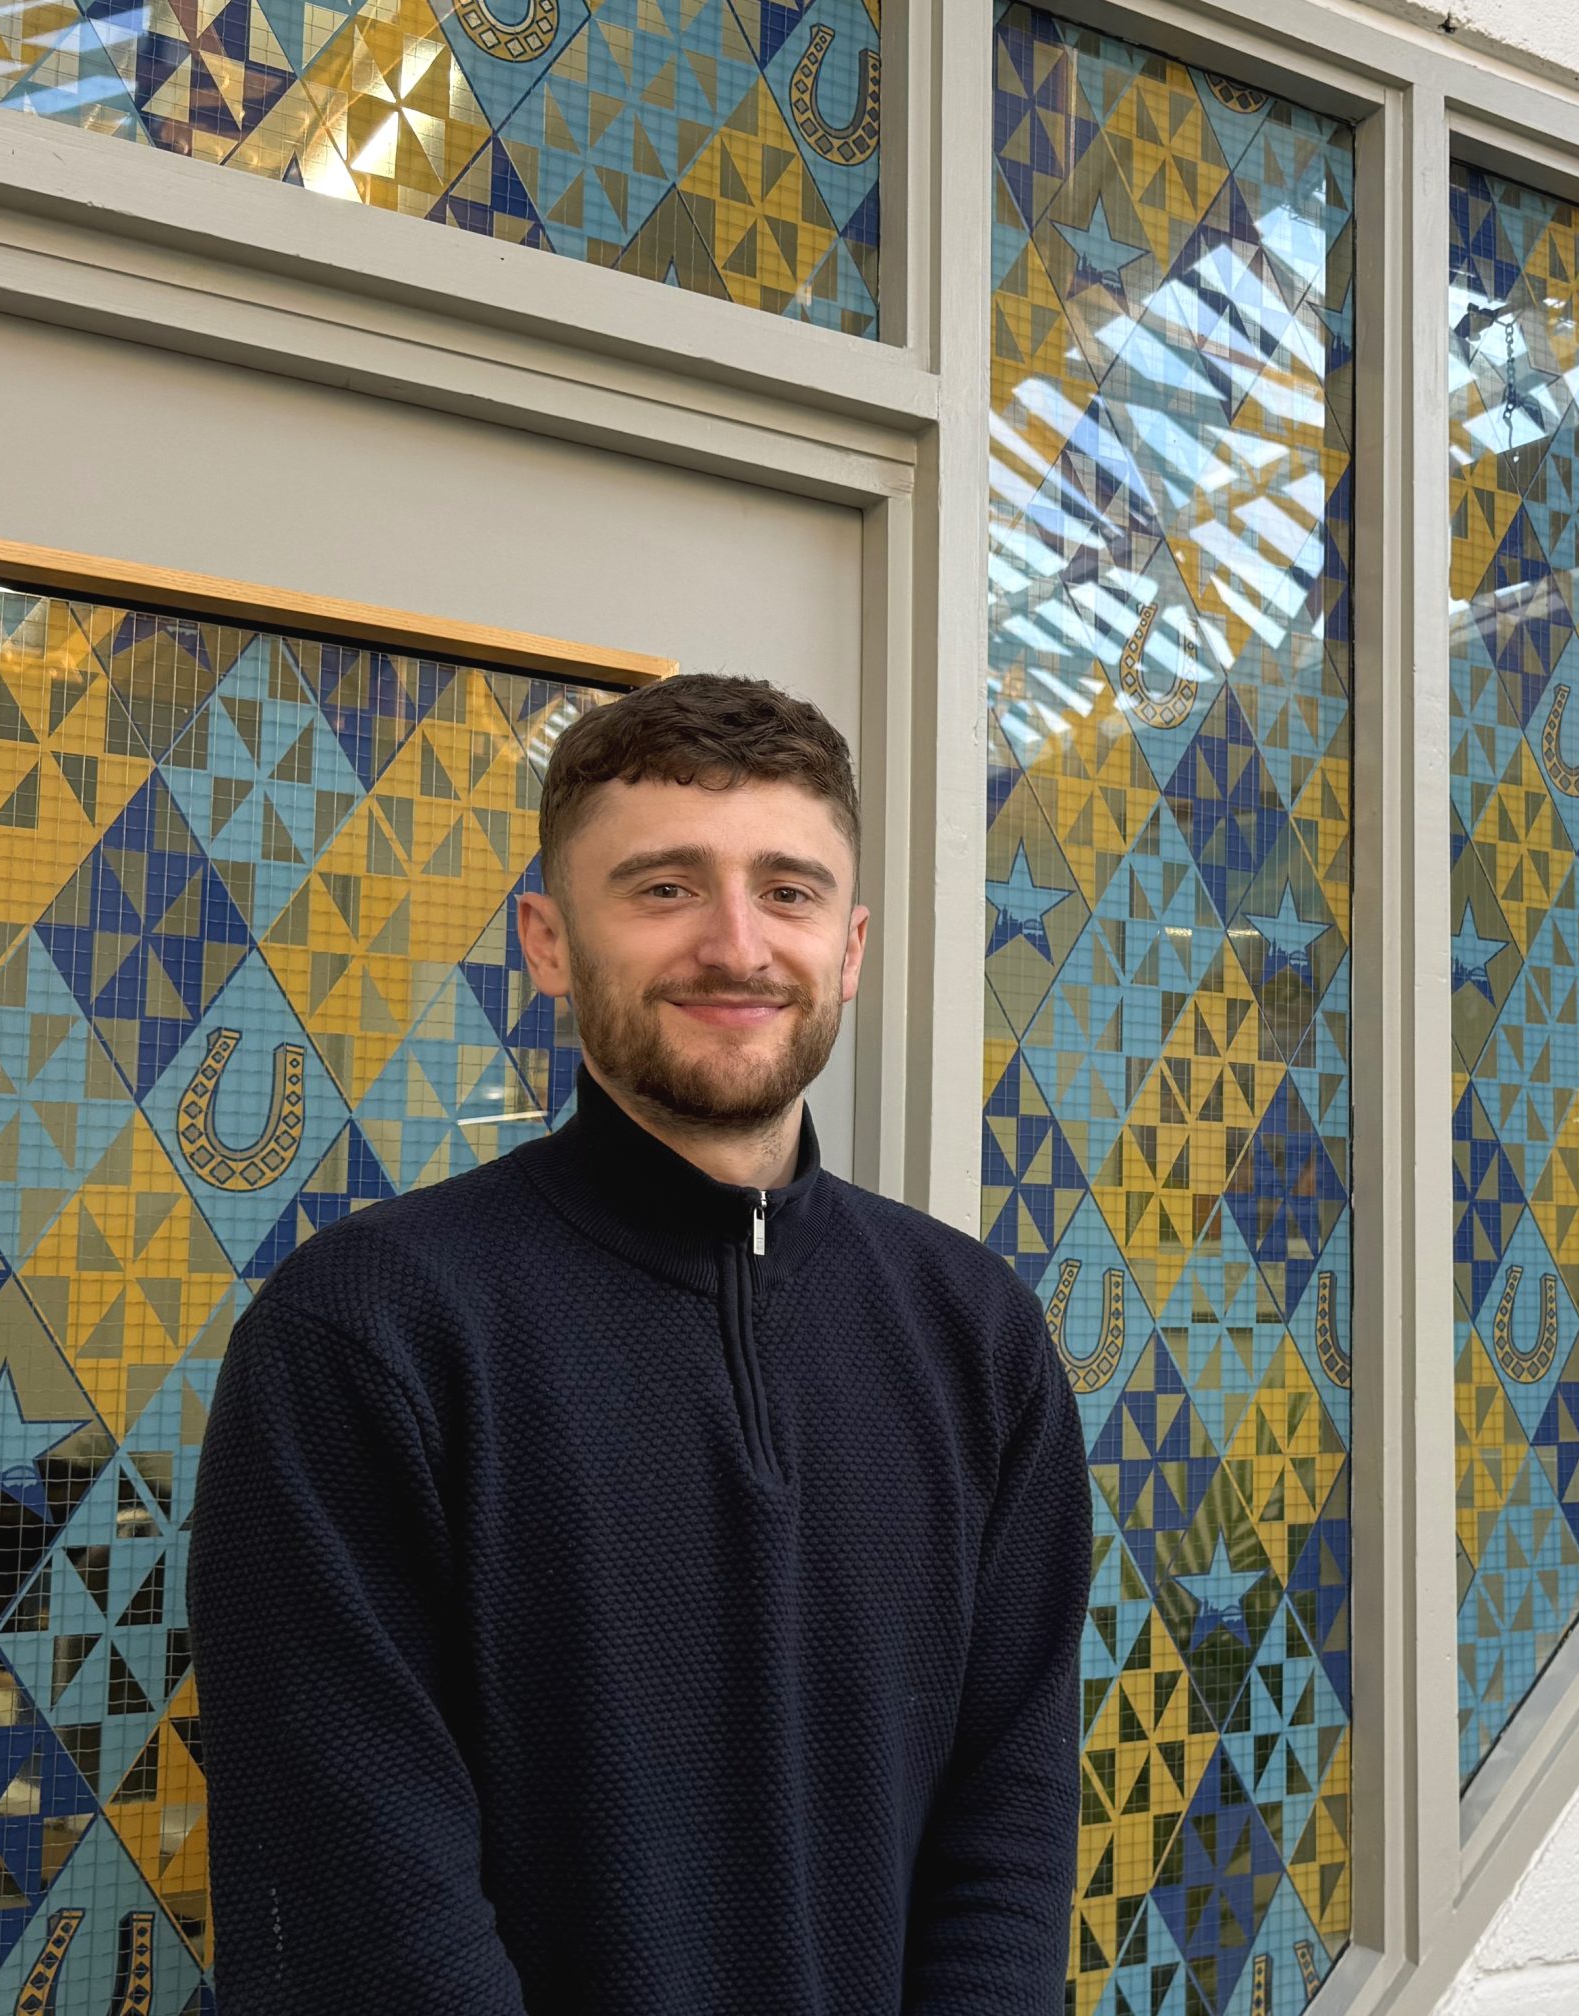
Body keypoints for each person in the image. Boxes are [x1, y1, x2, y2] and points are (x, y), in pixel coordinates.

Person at [188, 674, 1091, 2014]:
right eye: (664, 888)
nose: (737, 945)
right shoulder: (364, 1338)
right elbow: (368, 1910)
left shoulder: (977, 1338)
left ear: (848, 949)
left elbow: (1008, 1835)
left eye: (786, 892)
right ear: (549, 943)